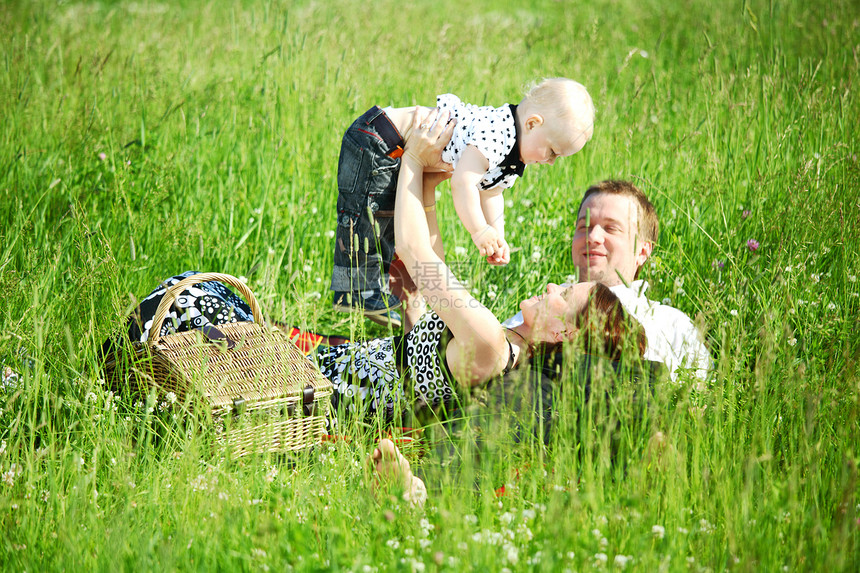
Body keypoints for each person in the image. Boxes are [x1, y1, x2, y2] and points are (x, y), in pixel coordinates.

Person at [330, 78, 595, 327]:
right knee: (366, 216)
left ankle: (376, 290)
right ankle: (354, 292)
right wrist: (479, 230)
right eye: (552, 152)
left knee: (388, 225)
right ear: (533, 123)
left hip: (397, 151)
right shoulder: (498, 134)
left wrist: (496, 235)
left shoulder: (511, 157)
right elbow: (462, 183)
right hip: (379, 138)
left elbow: (492, 193)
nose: (550, 162)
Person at [504, 180, 711, 382]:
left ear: (642, 250)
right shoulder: (538, 307)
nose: (593, 236)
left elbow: (703, 401)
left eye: (611, 228)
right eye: (584, 226)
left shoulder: (673, 325)